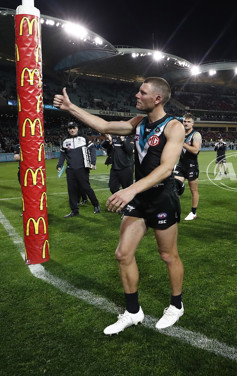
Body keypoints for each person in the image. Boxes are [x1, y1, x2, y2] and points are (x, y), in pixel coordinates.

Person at [53, 77, 186, 334]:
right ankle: (133, 312)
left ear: (157, 98)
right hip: (139, 198)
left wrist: (130, 190)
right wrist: (71, 108)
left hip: (162, 198)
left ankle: (176, 305)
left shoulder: (174, 127)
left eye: (142, 92)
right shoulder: (138, 123)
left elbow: (166, 168)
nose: (136, 95)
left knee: (168, 255)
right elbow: (103, 124)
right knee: (123, 254)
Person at [56, 122, 101, 217]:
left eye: (73, 128)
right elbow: (62, 154)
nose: (72, 130)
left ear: (77, 128)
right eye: (70, 128)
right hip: (70, 169)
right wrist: (59, 165)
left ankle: (96, 205)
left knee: (86, 188)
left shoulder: (84, 138)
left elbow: (92, 149)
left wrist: (93, 163)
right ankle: (74, 210)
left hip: (82, 168)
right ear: (68, 129)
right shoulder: (65, 140)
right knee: (71, 190)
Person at [174, 113, 202, 221]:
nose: (186, 123)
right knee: (174, 188)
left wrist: (182, 143)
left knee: (193, 190)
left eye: (188, 121)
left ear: (193, 123)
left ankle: (193, 212)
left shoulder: (196, 135)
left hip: (192, 165)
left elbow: (195, 150)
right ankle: (175, 210)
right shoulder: (179, 133)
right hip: (181, 164)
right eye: (184, 121)